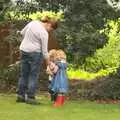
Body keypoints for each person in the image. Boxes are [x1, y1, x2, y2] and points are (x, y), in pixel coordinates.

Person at [16, 16, 58, 105]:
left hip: (23, 50)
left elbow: (22, 33)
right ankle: (30, 98)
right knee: (33, 75)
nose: (50, 31)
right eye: (51, 29)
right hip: (34, 54)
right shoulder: (44, 33)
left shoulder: (33, 23)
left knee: (24, 74)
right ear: (49, 24)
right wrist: (48, 64)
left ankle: (20, 96)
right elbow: (45, 51)